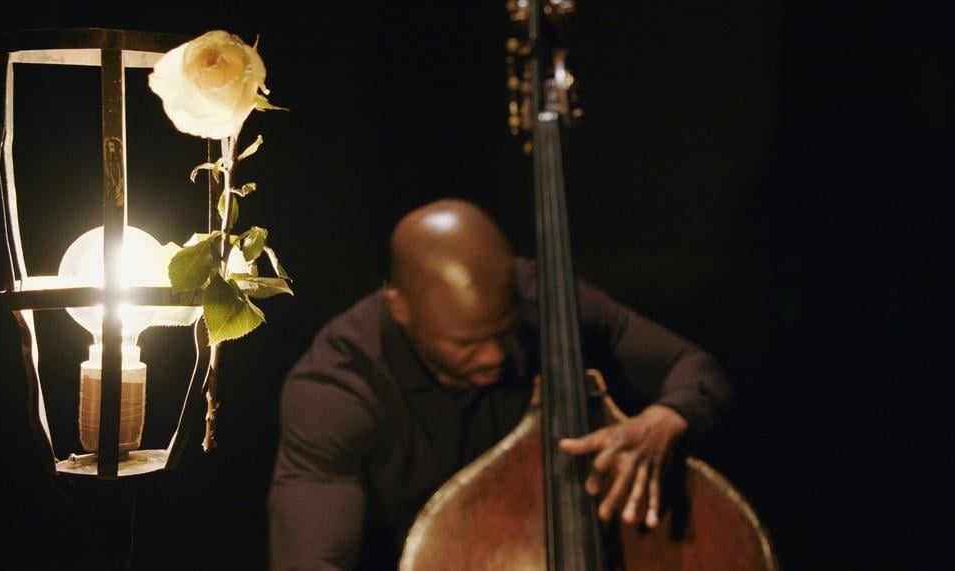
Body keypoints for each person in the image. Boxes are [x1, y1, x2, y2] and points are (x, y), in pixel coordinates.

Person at [267, 198, 732, 570]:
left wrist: (665, 420)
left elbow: (696, 368)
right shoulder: (337, 388)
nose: (494, 355)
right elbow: (311, 561)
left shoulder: (541, 300)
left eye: (502, 331)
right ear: (401, 309)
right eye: (466, 343)